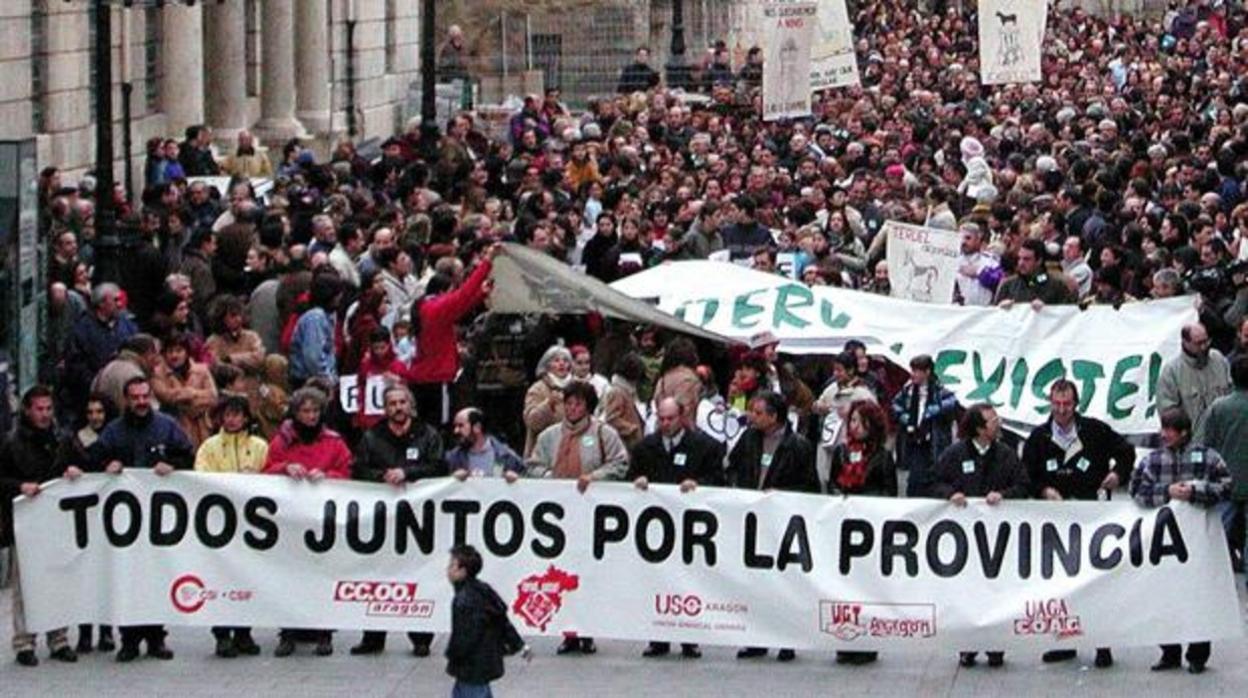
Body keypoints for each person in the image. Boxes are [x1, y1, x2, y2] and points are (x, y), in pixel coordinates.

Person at [1022, 379, 1135, 667]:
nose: (1061, 410)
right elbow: (1026, 477)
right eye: (1057, 405)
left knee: (1098, 582)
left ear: (1076, 404)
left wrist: (1118, 475)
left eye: (1067, 404)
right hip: (1056, 524)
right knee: (1061, 584)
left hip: (1093, 519)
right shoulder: (1038, 438)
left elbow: (1126, 451)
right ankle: (1066, 641)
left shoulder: (1095, 431)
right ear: (1050, 403)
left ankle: (1102, 643)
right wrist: (1043, 491)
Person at [91, 376, 194, 662]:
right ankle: (129, 639)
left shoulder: (167, 426)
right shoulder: (113, 431)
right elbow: (92, 460)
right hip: (124, 524)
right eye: (134, 397)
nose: (140, 402)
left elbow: (189, 456)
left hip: (159, 522)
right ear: (126, 400)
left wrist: (173, 465)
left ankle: (156, 638)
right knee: (127, 579)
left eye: (144, 396)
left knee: (156, 578)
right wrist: (104, 466)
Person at [526, 381, 628, 655]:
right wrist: (550, 478)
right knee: (562, 575)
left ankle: (588, 631)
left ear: (587, 407)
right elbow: (533, 464)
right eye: (568, 403)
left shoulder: (604, 433)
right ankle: (568, 632)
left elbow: (620, 462)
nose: (572, 409)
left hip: (591, 514)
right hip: (557, 519)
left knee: (588, 575)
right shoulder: (549, 435)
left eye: (578, 404)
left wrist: (595, 477)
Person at [1131, 408, 1231, 674]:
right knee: (1165, 597)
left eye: (1170, 430)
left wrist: (1196, 492)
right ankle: (1169, 652)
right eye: (1162, 429)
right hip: (1163, 545)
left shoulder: (1208, 458)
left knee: (1198, 596)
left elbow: (1226, 486)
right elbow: (1137, 492)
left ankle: (1198, 654)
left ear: (1183, 432)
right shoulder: (1152, 461)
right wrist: (1167, 492)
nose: (1164, 435)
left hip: (1198, 543)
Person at [350, 385, 446, 657]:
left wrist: (407, 473)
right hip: (380, 519)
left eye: (403, 402)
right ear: (385, 408)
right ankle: (373, 637)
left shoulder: (428, 434)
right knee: (377, 575)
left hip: (418, 519)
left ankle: (421, 637)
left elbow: (439, 467)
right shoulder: (372, 436)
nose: (398, 408)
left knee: (418, 575)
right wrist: (383, 476)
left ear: (410, 405)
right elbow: (358, 470)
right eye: (392, 403)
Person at [931, 403, 1029, 668]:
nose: (997, 423)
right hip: (964, 538)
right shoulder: (955, 453)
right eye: (991, 420)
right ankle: (967, 646)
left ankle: (996, 646)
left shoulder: (1006, 454)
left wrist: (1004, 496)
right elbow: (935, 481)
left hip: (997, 539)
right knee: (967, 593)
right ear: (978, 428)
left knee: (997, 592)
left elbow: (1023, 485)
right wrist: (950, 494)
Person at [628, 397, 725, 660]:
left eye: (670, 418)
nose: (665, 423)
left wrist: (699, 483)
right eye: (661, 418)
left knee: (688, 581)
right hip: (656, 529)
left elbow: (719, 479)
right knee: (657, 580)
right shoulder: (645, 448)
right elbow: (630, 478)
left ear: (682, 417)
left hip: (691, 527)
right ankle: (658, 637)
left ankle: (689, 637)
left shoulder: (705, 447)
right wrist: (637, 482)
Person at [727, 391, 818, 662]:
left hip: (783, 523)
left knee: (784, 583)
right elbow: (732, 467)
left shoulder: (798, 446)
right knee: (755, 581)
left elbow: (810, 486)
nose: (751, 417)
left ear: (773, 416)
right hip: (752, 521)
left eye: (758, 413)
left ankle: (787, 638)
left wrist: (781, 495)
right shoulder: (749, 439)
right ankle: (756, 638)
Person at [263, 386, 353, 658]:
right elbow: (265, 471)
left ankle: (324, 632)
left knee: (322, 575)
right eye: (306, 411)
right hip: (290, 522)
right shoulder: (281, 441)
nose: (311, 416)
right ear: (296, 412)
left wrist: (329, 477)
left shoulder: (334, 441)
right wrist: (284, 468)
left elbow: (348, 473)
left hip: (323, 522)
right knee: (288, 577)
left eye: (315, 411)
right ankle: (287, 632)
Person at [0, 386, 80, 667]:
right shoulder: (11, 444)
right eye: (39, 409)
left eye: (49, 409)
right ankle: (24, 641)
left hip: (56, 522)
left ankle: (58, 638)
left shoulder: (62, 440)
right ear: (27, 410)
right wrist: (19, 487)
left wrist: (73, 471)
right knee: (25, 586)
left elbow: (80, 466)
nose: (45, 415)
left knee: (58, 580)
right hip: (24, 525)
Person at [193, 394, 267, 658]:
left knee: (248, 577)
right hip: (219, 523)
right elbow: (200, 477)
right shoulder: (209, 447)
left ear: (246, 417)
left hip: (250, 525)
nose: (233, 419)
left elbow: (271, 478)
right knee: (219, 577)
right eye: (228, 414)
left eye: (237, 414)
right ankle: (222, 634)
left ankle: (244, 632)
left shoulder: (259, 446)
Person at [826, 400, 896, 665]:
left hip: (869, 529)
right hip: (844, 528)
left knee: (866, 586)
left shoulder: (882, 456)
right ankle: (844, 638)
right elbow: (832, 482)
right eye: (852, 421)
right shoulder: (842, 453)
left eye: (860, 422)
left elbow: (889, 491)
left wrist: (865, 501)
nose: (854, 426)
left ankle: (867, 640)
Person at [406, 246, 495, 428]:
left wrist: (481, 294)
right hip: (437, 380)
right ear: (443, 292)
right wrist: (487, 263)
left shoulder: (426, 307)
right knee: (440, 426)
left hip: (427, 378)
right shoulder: (435, 309)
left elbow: (462, 304)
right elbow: (462, 297)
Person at [445, 545, 526, 698]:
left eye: (452, 566)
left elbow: (465, 636)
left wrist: (453, 654)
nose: (448, 570)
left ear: (463, 571)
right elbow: (502, 620)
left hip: (471, 668)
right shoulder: (483, 590)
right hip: (483, 664)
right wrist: (517, 643)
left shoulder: (464, 599)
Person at [1195, 355, 1248, 579]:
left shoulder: (1218, 407)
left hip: (1224, 481)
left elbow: (1206, 444)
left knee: (1217, 534)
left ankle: (1214, 577)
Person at [1157, 323, 1231, 437]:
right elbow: (1168, 413)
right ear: (1185, 343)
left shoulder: (1219, 360)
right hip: (1192, 443)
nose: (1204, 347)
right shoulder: (1171, 372)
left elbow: (1233, 393)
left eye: (1206, 341)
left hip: (1225, 438)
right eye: (1198, 343)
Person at [151, 332, 219, 447]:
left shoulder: (201, 370)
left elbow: (213, 397)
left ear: (186, 352)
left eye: (178, 351)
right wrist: (193, 394)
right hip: (174, 428)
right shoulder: (157, 373)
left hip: (202, 430)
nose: (174, 355)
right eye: (170, 351)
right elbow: (166, 396)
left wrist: (191, 396)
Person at [447, 408, 525, 481]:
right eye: (455, 426)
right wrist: (452, 479)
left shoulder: (506, 455)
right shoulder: (453, 457)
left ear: (477, 427)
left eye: (461, 426)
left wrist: (516, 478)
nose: (456, 431)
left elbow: (527, 479)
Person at [995, 239, 1077, 308]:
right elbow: (992, 318)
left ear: (1039, 261)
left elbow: (1068, 315)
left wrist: (1047, 310)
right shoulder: (1008, 285)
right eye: (1019, 258)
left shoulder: (1056, 286)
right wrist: (1000, 308)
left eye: (1027, 259)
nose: (1021, 263)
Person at [522, 345, 573, 458]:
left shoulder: (577, 387)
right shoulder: (537, 389)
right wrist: (548, 404)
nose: (561, 364)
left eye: (565, 360)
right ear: (547, 365)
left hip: (571, 450)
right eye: (556, 360)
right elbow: (531, 422)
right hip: (542, 453)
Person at [599, 352, 646, 451]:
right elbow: (611, 418)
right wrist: (631, 429)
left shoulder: (629, 391)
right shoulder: (618, 392)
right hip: (624, 444)